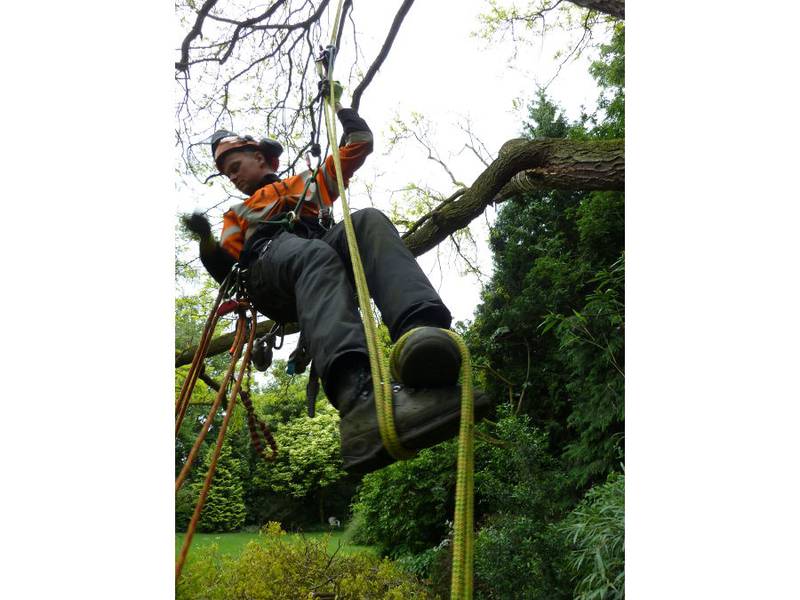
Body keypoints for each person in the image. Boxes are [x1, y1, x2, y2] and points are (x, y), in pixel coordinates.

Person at [183, 90, 488, 474]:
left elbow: (359, 146)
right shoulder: (237, 214)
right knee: (314, 255)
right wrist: (207, 242)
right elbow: (227, 269)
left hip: (316, 256)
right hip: (268, 267)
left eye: (236, 166)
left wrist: (340, 106)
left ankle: (420, 335)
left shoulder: (305, 184)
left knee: (369, 222)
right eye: (227, 173)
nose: (233, 177)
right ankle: (358, 398)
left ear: (260, 157)